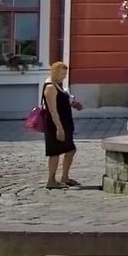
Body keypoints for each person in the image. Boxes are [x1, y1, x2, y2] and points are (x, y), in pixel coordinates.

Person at [41, 60, 84, 189]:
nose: (64, 77)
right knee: (55, 152)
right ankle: (51, 180)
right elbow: (52, 110)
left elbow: (62, 101)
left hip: (65, 123)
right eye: (62, 74)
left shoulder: (57, 85)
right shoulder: (50, 87)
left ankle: (65, 177)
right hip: (55, 124)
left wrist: (73, 104)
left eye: (65, 74)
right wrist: (59, 128)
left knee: (70, 150)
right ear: (55, 72)